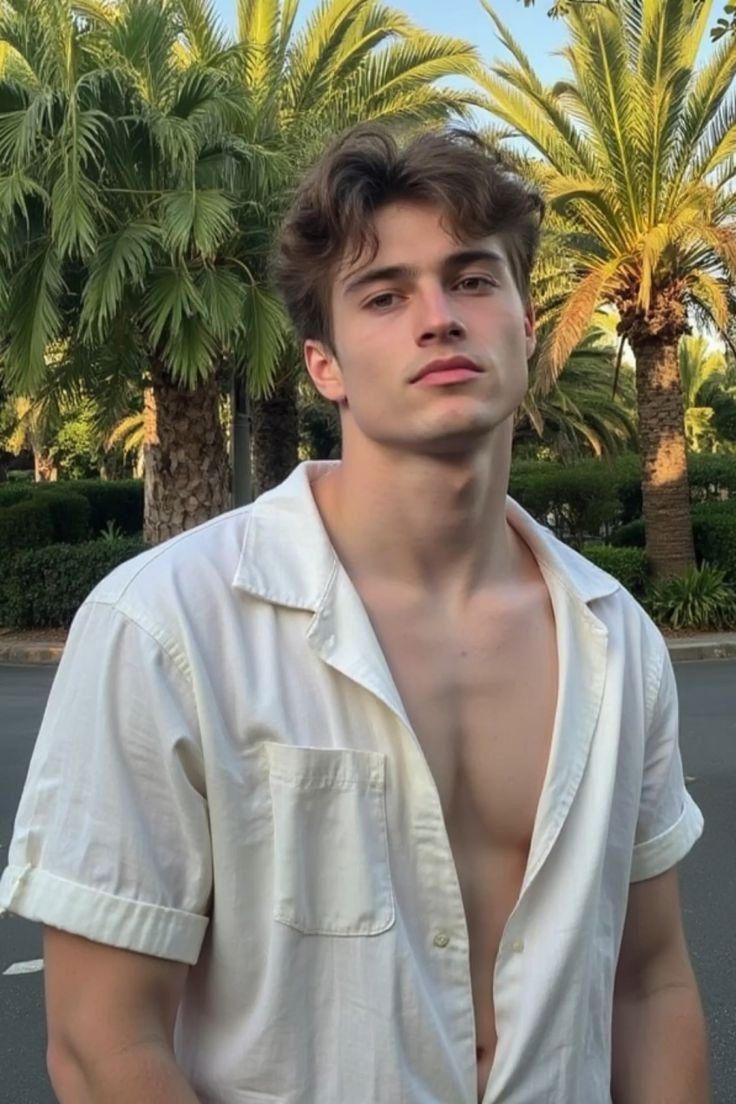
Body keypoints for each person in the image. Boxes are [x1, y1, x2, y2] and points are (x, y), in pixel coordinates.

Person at [0, 124, 708, 1104]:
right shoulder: (166, 627)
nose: (438, 318)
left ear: (525, 325)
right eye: (384, 295)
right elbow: (101, 1045)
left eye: (472, 280)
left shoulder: (616, 638)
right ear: (324, 365)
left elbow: (648, 982)